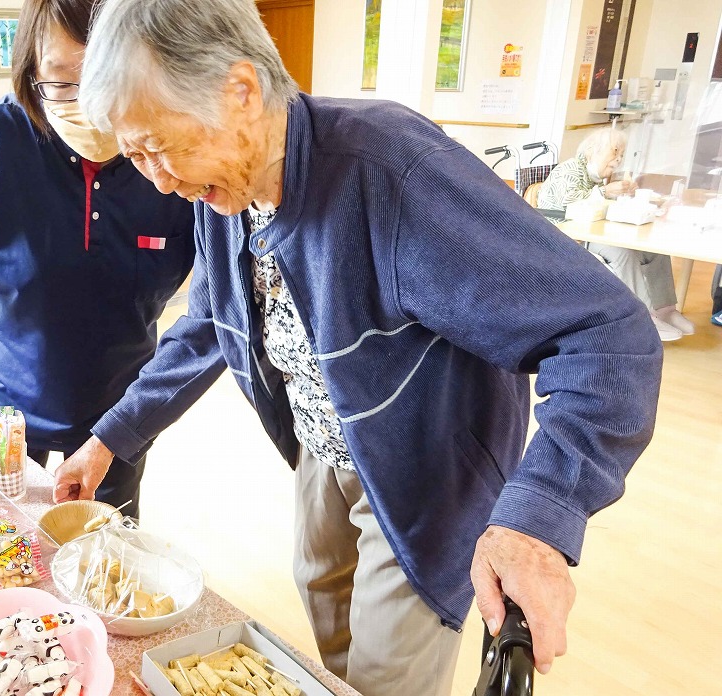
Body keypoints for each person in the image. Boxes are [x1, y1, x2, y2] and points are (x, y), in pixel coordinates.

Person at [51, 1, 663, 694]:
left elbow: (610, 337)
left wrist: (541, 514)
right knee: (329, 639)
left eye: (160, 148)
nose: (159, 179)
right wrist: (111, 438)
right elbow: (211, 321)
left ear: (241, 92)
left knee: (383, 678)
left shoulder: (396, 175)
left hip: (423, 468)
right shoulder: (221, 186)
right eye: (136, 157)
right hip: (322, 444)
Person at [0, 0, 195, 519]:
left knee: (103, 551)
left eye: (107, 77)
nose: (90, 102)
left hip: (117, 402)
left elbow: (213, 307)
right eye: (62, 80)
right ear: (31, 71)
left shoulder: (174, 159)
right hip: (1, 397)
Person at [538, 128, 694, 342]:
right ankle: (641, 317)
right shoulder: (570, 170)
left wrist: (621, 193)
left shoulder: (594, 175)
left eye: (621, 154)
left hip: (591, 231)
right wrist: (605, 192)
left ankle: (665, 309)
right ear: (594, 150)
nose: (619, 159)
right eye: (615, 152)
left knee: (653, 251)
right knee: (623, 252)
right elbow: (570, 205)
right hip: (567, 236)